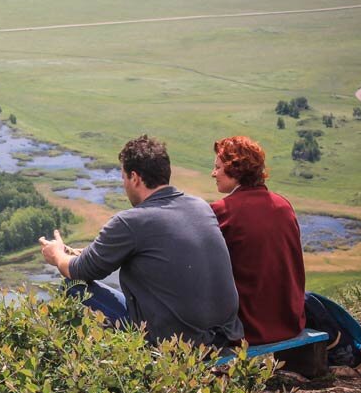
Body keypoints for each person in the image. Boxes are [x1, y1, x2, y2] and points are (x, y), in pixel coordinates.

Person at [40, 135, 244, 347]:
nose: (124, 184)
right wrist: (82, 252)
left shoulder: (131, 222)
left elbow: (80, 271)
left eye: (124, 178)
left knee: (73, 286)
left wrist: (57, 255)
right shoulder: (200, 206)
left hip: (178, 344)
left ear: (135, 178)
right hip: (225, 338)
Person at [210, 136, 305, 345]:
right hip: (290, 322)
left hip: (249, 329)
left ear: (235, 169)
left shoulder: (222, 211)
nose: (213, 173)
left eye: (218, 168)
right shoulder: (283, 205)